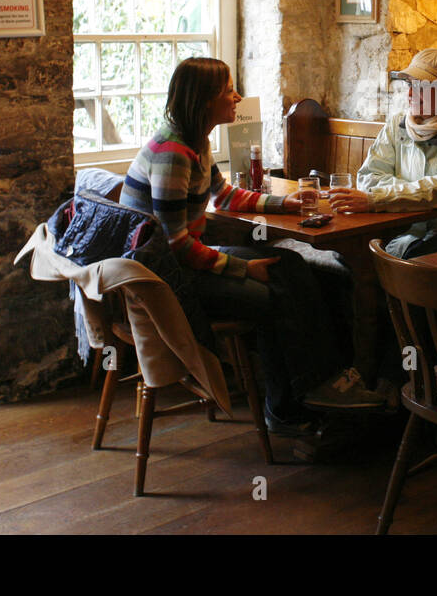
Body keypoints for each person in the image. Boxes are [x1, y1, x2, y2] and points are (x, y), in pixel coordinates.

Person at [121, 57, 382, 437]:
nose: (237, 97)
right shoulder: (172, 153)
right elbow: (176, 246)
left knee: (290, 264)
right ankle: (291, 406)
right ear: (204, 99)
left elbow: (224, 196)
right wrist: (241, 268)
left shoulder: (195, 140)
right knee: (275, 297)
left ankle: (322, 387)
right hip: (166, 279)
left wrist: (284, 204)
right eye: (228, 90)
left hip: (185, 261)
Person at [329, 48, 437, 395]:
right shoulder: (397, 124)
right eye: (409, 85)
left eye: (421, 87)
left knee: (410, 271)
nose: (410, 94)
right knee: (354, 266)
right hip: (405, 234)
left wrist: (380, 199)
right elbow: (369, 177)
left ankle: (406, 384)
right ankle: (378, 376)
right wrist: (393, 194)